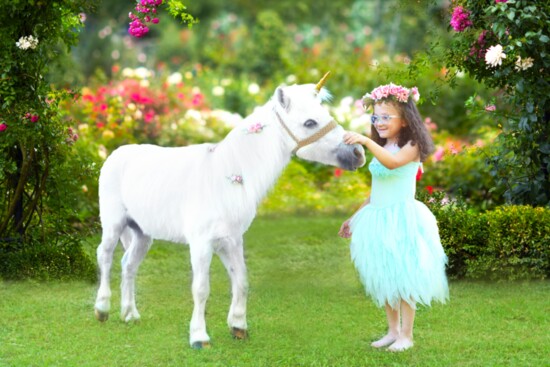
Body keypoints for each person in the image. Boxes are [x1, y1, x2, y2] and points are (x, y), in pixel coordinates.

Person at [338, 83, 449, 352]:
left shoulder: (412, 145)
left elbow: (393, 163)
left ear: (405, 119)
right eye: (376, 117)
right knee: (384, 274)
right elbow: (376, 189)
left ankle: (407, 335)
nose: (379, 122)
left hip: (402, 218)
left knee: (404, 276)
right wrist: (355, 216)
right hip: (378, 218)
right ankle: (392, 330)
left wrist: (365, 142)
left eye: (387, 116)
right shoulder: (383, 145)